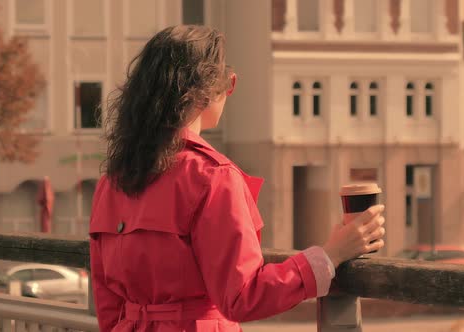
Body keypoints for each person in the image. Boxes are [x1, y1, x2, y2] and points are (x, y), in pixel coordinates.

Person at [89, 25, 386, 332]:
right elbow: (243, 296)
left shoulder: (112, 182)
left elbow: (108, 306)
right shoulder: (212, 178)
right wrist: (331, 255)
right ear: (217, 88)